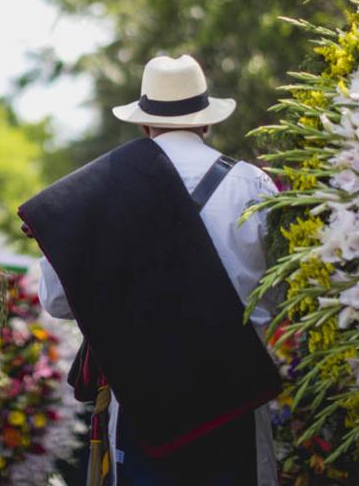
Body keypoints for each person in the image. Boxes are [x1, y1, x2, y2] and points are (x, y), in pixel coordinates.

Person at [19, 55, 281, 485]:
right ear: (206, 122)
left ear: (144, 124)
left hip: (145, 405)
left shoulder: (95, 193)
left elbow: (56, 300)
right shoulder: (253, 185)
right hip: (235, 391)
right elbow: (277, 296)